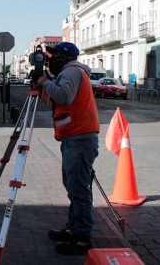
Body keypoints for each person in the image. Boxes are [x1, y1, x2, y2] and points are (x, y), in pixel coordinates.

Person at [36, 42, 100, 256]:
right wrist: (49, 83)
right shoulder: (70, 72)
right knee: (73, 187)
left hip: (80, 139)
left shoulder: (72, 72)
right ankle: (74, 229)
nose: (49, 59)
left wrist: (45, 82)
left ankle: (82, 237)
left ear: (63, 56)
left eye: (53, 55)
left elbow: (64, 96)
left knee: (79, 190)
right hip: (75, 137)